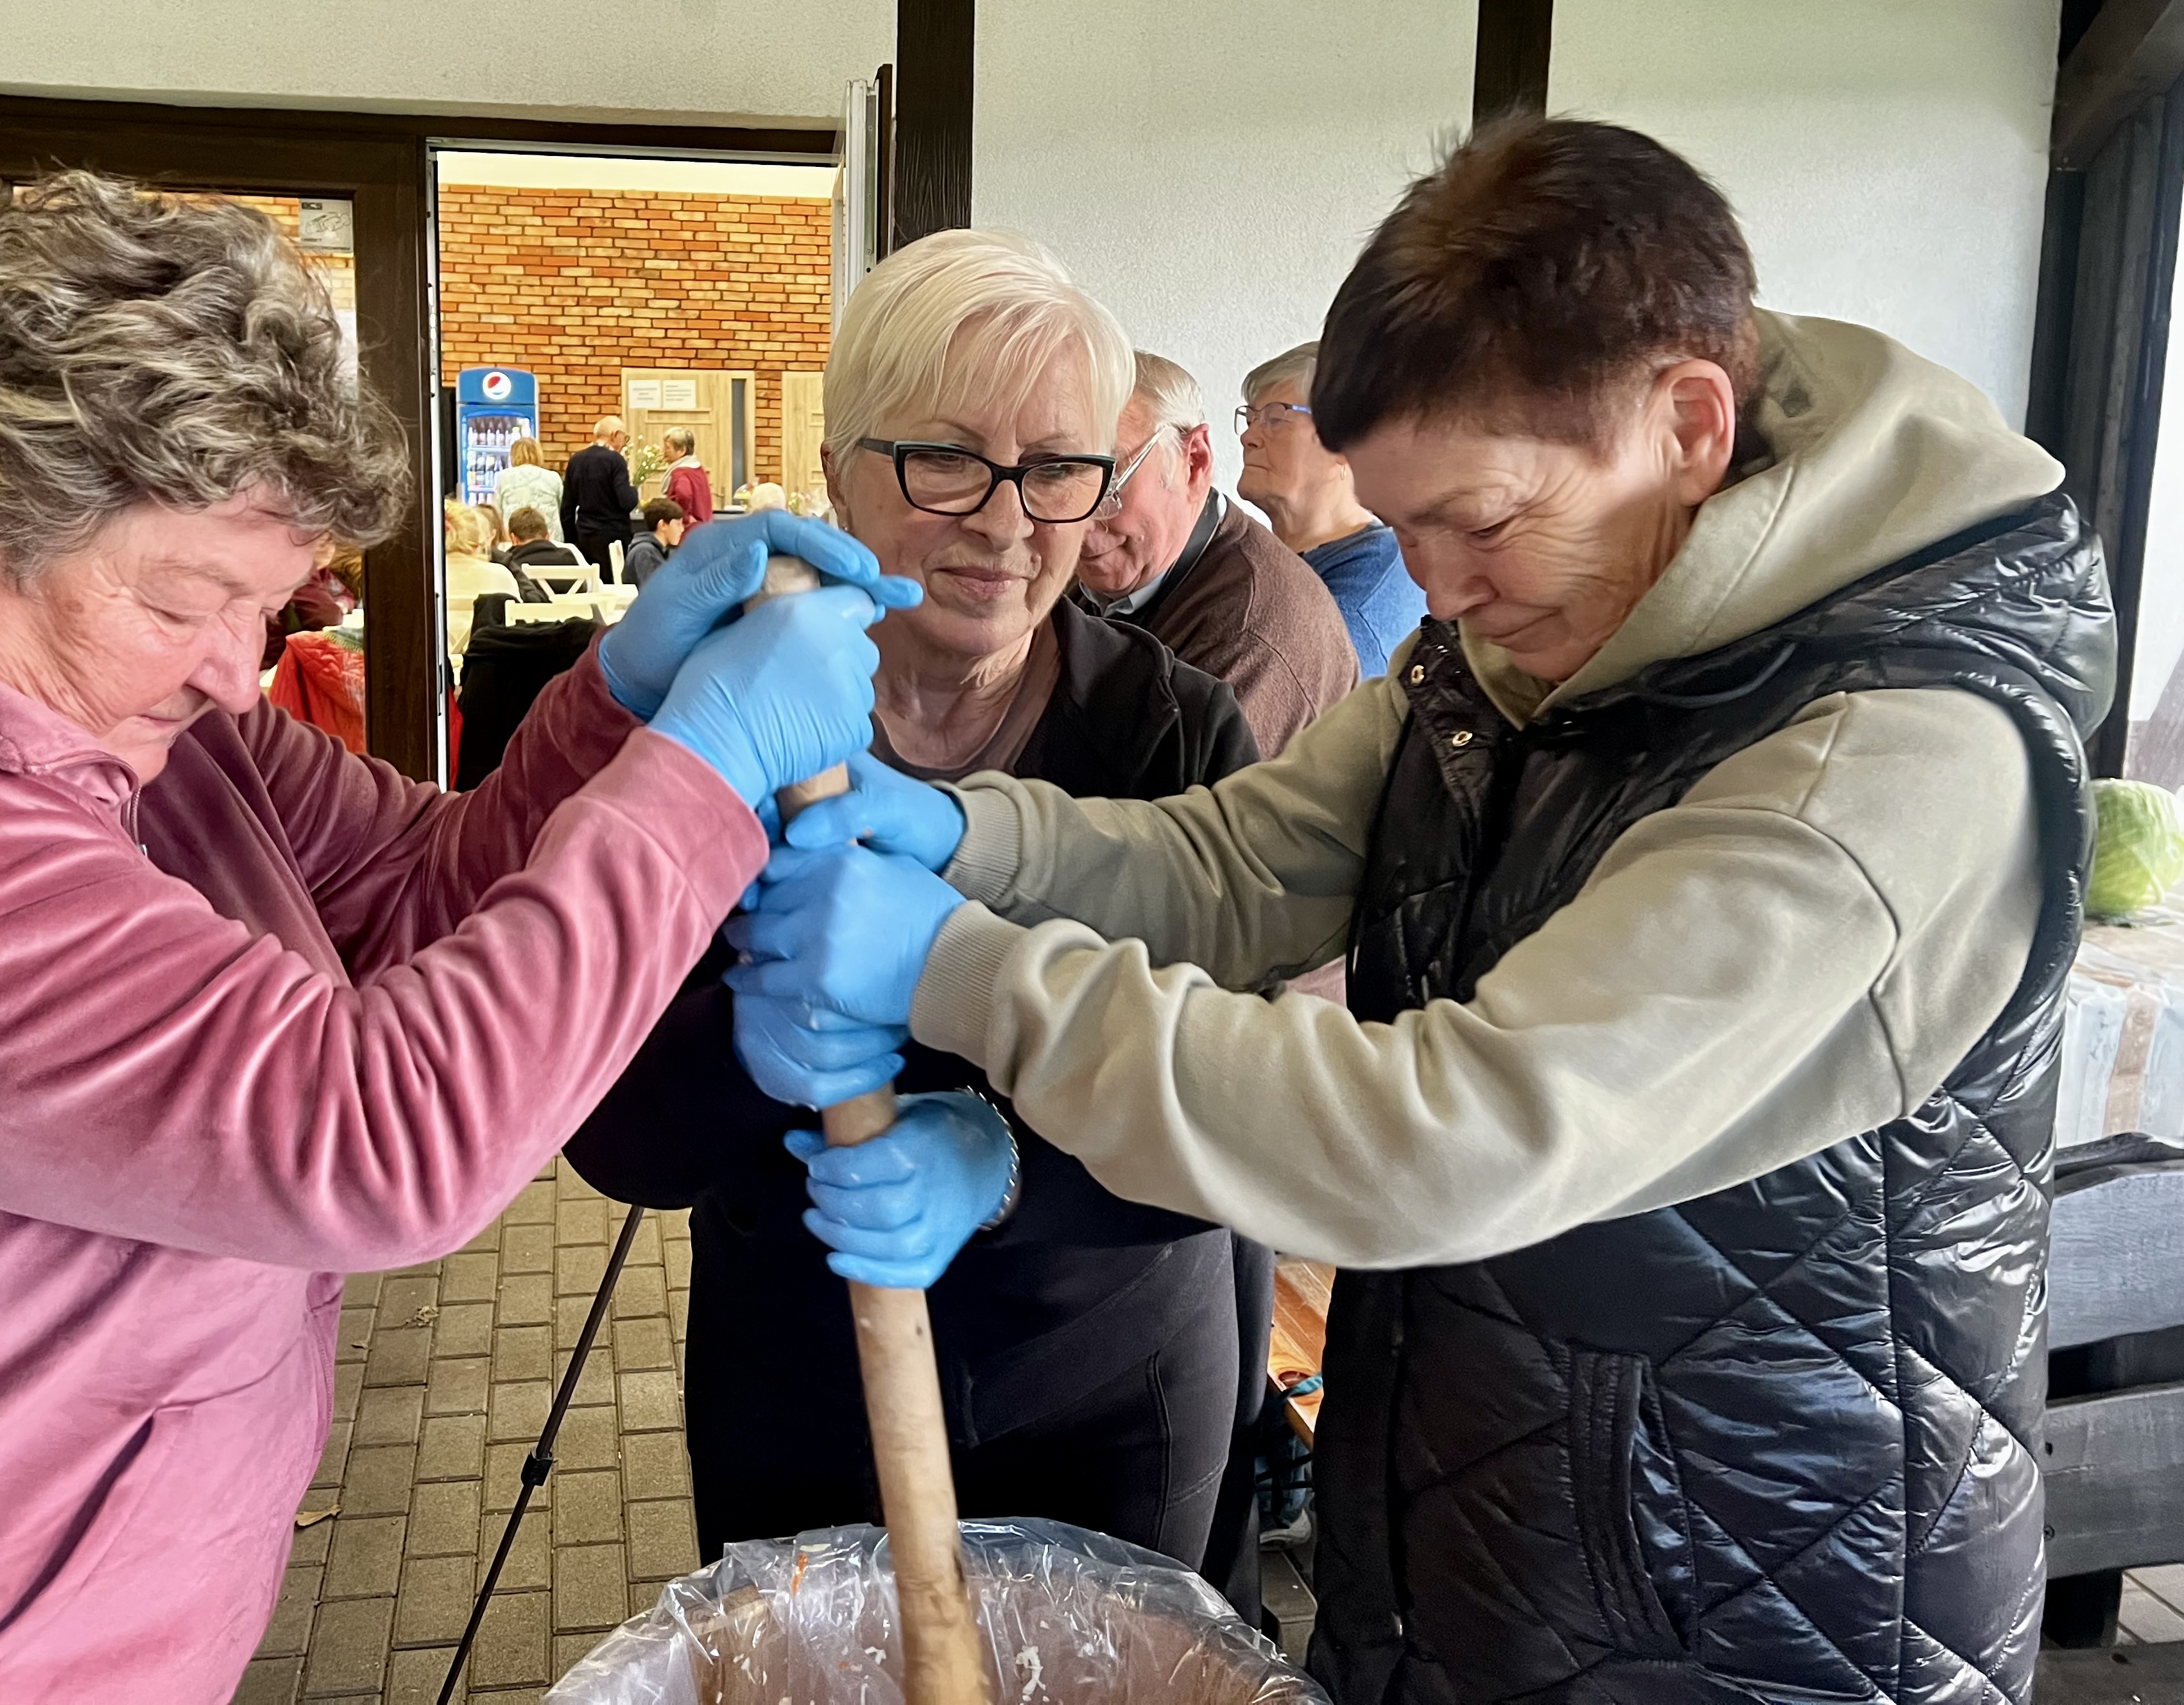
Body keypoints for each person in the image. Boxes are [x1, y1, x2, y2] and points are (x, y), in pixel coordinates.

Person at [723, 117, 2114, 1705]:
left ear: (1688, 425)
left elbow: (1450, 1135)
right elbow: (1246, 863)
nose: (1437, 594)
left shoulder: (1888, 764)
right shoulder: (1548, 622)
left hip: (1764, 1600)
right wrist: (971, 836)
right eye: (1406, 530)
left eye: (1483, 524)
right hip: (1489, 1524)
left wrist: (956, 969)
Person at [0, 171, 915, 1703]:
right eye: (184, 603)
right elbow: (377, 1139)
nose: (237, 672)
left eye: (271, 604)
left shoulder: (108, 713)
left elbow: (418, 890)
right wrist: (705, 769)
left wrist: (621, 700)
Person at [568, 229, 1264, 1607]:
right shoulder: (725, 734)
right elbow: (613, 1135)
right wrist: (741, 1047)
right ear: (838, 471)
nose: (1007, 521)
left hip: (1107, 1388)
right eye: (946, 458)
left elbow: (1235, 1114)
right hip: (800, 1382)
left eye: (1057, 467)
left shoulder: (1170, 735)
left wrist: (1007, 1166)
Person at [1078, 351, 1359, 757]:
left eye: (1111, 482)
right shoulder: (1114, 567)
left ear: (1194, 462)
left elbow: (1168, 800)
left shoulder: (1250, 634)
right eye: (1059, 475)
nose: (1080, 520)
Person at [1235, 342, 1427, 677]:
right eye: (1250, 418)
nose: (1248, 437)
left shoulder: (1363, 590)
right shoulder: (1257, 556)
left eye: (1275, 419)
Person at [443, 498, 519, 661]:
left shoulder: (425, 581)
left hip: (435, 665)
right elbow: (517, 628)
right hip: (488, 665)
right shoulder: (501, 575)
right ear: (478, 543)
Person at [564, 414, 640, 563]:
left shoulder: (576, 460)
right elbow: (627, 502)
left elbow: (567, 506)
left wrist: (571, 540)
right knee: (613, 578)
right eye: (625, 438)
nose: (625, 444)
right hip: (613, 537)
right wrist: (633, 487)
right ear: (614, 435)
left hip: (585, 535)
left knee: (590, 577)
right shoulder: (616, 461)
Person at [491, 435, 563, 548]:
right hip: (550, 539)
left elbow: (497, 513)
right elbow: (562, 509)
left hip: (514, 539)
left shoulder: (504, 477)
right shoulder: (554, 477)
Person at [497, 503, 583, 577]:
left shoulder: (507, 566)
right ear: (548, 536)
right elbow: (586, 588)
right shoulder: (569, 558)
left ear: (513, 539)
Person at [623, 498, 686, 588]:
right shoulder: (644, 553)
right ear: (663, 525)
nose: (682, 529)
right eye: (678, 524)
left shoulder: (659, 550)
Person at [662, 426, 714, 527]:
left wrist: (685, 517)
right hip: (704, 528)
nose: (664, 451)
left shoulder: (681, 473)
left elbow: (684, 495)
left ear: (682, 451)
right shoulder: (699, 469)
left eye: (668, 448)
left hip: (687, 529)